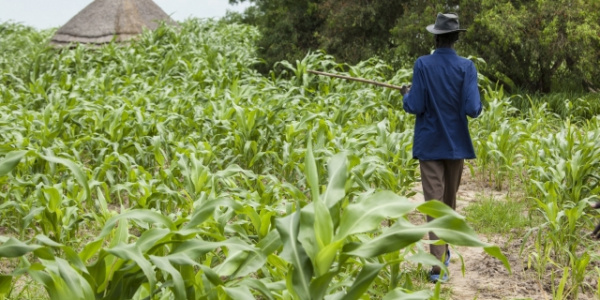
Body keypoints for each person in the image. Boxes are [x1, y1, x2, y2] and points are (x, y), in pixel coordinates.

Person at [401, 12, 483, 283]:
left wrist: (406, 94)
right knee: (447, 203)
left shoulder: (422, 65)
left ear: (435, 37)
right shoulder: (467, 67)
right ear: (456, 38)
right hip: (456, 146)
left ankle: (439, 258)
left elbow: (415, 106)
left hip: (429, 145)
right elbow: (473, 109)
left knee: (435, 204)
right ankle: (438, 264)